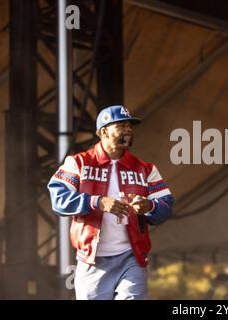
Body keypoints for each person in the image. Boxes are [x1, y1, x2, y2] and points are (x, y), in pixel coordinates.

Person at [48, 105, 174, 300]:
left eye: (130, 126)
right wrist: (96, 202)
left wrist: (150, 206)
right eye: (122, 125)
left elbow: (166, 204)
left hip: (132, 258)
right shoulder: (78, 163)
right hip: (92, 261)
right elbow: (58, 199)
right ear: (104, 131)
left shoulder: (145, 169)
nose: (128, 130)